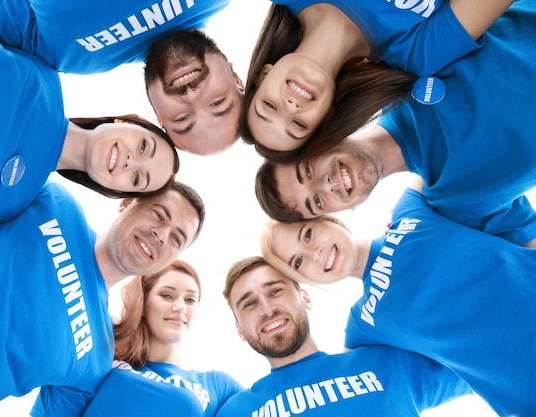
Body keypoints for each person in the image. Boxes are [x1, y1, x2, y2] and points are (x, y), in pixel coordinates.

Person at [0, 178, 205, 417]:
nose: (162, 235)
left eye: (177, 238)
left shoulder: (97, 357)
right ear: (127, 202)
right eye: (158, 214)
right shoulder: (51, 199)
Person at [255, 0, 536, 248]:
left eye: (306, 171)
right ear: (342, 213)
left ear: (319, 135)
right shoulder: (457, 203)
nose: (325, 186)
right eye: (316, 203)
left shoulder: (405, 62)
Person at [259, 181, 536, 416]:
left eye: (307, 235)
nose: (314, 254)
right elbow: (345, 395)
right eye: (297, 263)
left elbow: (447, 156)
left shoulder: (409, 209)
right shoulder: (362, 324)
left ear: (329, 219)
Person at [0, 9, 179, 238]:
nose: (131, 161)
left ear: (118, 190)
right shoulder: (44, 65)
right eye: (144, 147)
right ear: (129, 120)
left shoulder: (11, 201)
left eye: (136, 178)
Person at [0, 0, 245, 155]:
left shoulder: (74, 57)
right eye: (218, 103)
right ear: (237, 79)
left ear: (157, 117)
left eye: (183, 118)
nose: (192, 95)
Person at [240, 0, 513, 160]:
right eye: (299, 124)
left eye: (269, 107)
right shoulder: (416, 53)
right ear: (326, 115)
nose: (289, 106)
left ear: (264, 73)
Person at [217, 256, 472, 416]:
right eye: (248, 304)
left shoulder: (384, 363)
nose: (267, 309)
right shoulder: (235, 410)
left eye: (275, 291)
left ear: (305, 298)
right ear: (240, 329)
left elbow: (484, 356)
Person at [81, 260, 242, 417]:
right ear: (143, 303)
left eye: (190, 300)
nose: (180, 307)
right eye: (167, 295)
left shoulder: (218, 386)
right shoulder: (107, 362)